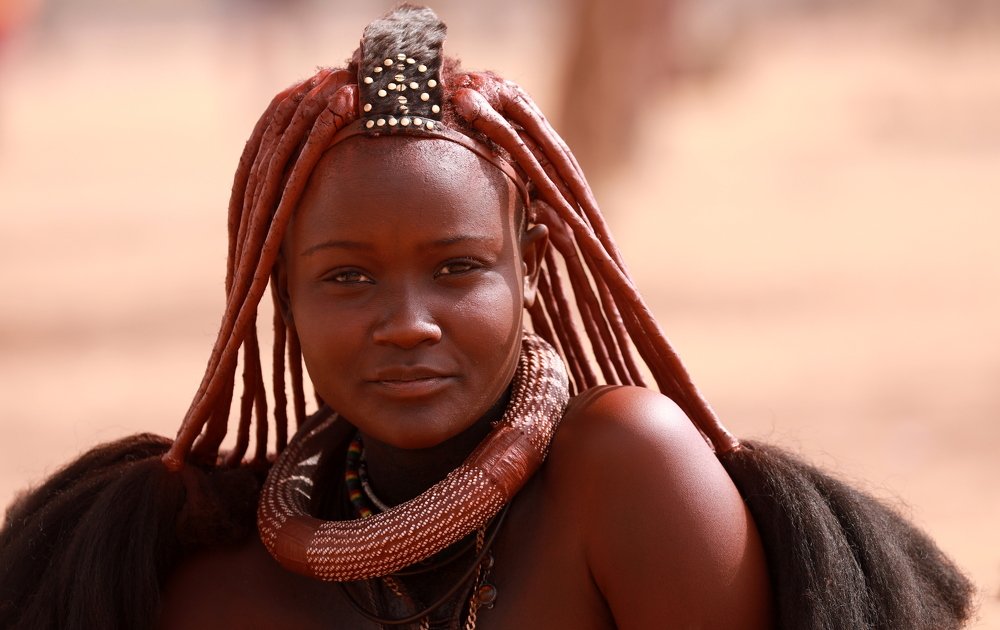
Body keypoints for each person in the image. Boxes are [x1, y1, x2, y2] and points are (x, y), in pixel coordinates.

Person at [0, 5, 974, 629]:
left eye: (457, 267)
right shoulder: (222, 588)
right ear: (280, 303)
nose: (409, 321)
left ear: (530, 268)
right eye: (346, 280)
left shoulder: (623, 477)